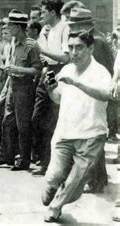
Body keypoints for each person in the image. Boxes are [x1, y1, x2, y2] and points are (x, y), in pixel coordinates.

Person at [41, 31, 111, 223]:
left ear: (90, 49)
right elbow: (57, 98)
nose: (74, 52)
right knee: (53, 177)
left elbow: (106, 95)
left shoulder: (100, 72)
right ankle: (53, 189)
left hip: (91, 135)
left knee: (76, 181)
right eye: (70, 47)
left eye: (79, 47)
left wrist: (78, 84)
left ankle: (56, 208)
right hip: (65, 134)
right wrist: (49, 88)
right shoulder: (66, 70)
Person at [68, 7, 115, 193]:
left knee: (92, 135)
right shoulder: (97, 38)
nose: (73, 29)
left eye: (75, 25)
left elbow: (102, 71)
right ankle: (99, 178)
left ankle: (95, 181)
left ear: (85, 25)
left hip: (96, 93)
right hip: (93, 92)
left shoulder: (95, 41)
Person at [0, 10, 41, 171]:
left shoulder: (31, 45)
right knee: (7, 122)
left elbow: (36, 69)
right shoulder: (13, 44)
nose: (8, 29)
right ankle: (6, 156)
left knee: (23, 126)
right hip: (12, 87)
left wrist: (17, 69)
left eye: (11, 26)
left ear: (19, 27)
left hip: (24, 89)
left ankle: (24, 159)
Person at [31, 0, 69, 176]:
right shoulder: (49, 30)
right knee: (38, 118)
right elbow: (46, 58)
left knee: (53, 121)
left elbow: (65, 58)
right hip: (48, 71)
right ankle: (43, 160)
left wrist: (42, 51)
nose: (41, 15)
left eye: (44, 12)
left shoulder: (64, 28)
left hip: (59, 71)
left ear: (53, 13)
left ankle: (51, 164)